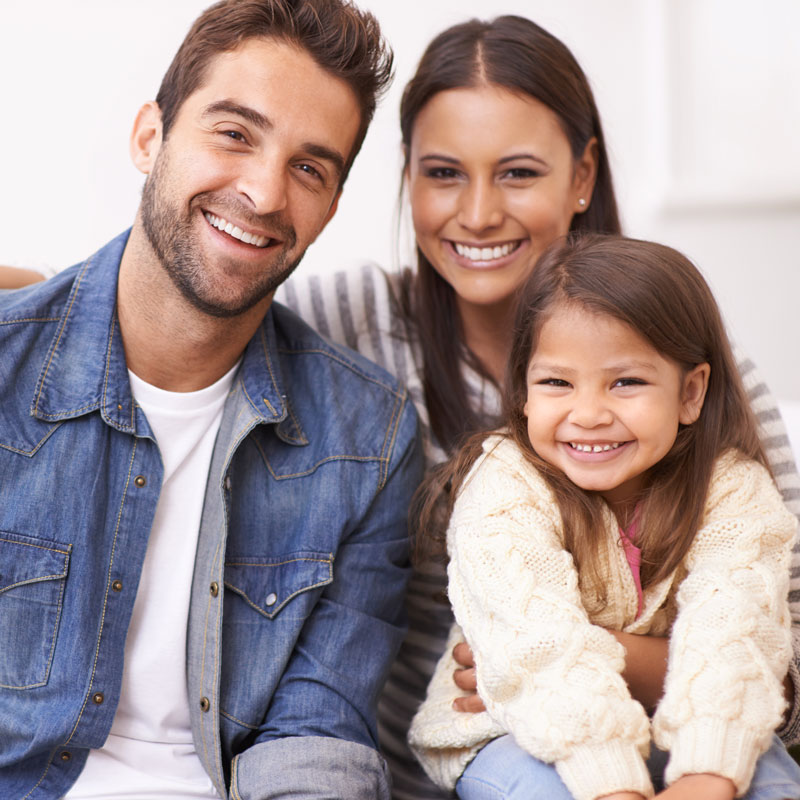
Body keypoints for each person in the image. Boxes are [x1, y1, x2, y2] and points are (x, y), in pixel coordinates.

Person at [4, 13, 800, 800]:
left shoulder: (692, 386)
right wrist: (37, 313)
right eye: (443, 173)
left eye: (519, 172)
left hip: (684, 737)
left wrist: (580, 655)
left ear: (582, 177)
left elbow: (781, 660)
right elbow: (194, 291)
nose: (479, 212)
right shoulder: (354, 322)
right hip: (461, 763)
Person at [0, 1, 422, 798]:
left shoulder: (371, 436)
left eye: (309, 167)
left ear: (330, 207)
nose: (264, 193)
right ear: (149, 137)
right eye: (234, 133)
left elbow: (317, 736)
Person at [408, 234, 800, 800]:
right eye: (556, 383)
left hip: (687, 723)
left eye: (626, 382)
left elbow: (735, 637)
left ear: (691, 392)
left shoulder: (732, 488)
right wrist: (613, 788)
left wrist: (707, 776)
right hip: (512, 731)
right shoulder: (504, 481)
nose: (588, 414)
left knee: (771, 783)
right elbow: (542, 651)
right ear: (522, 391)